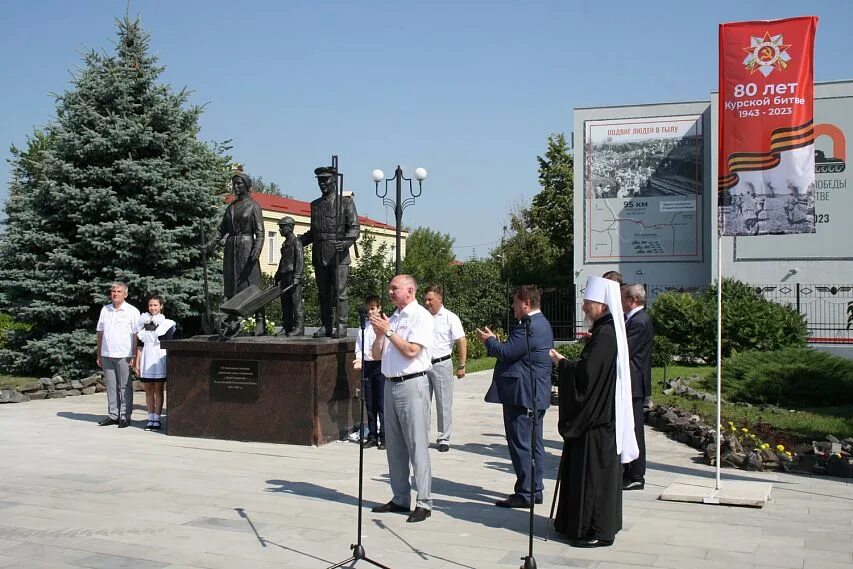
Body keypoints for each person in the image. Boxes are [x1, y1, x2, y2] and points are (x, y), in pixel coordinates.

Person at [549, 276, 638, 548]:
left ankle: (597, 529)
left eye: (588, 303)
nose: (585, 308)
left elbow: (586, 377)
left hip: (597, 422)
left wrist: (562, 363)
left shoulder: (607, 334)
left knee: (594, 477)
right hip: (598, 417)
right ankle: (575, 523)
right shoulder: (605, 331)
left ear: (602, 304)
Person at [477, 285, 553, 508]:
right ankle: (534, 488)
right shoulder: (540, 324)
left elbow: (507, 352)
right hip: (532, 394)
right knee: (533, 444)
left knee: (522, 444)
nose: (513, 307)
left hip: (523, 395)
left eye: (515, 302)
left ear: (526, 303)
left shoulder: (529, 326)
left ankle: (526, 492)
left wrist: (489, 341)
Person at [369, 274, 434, 523]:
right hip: (390, 383)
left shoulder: (421, 317)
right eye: (389, 288)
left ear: (410, 291)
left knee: (416, 444)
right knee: (394, 446)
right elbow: (376, 355)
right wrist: (379, 334)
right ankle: (400, 497)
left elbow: (411, 351)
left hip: (412, 384)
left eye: (395, 288)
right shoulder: (393, 317)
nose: (390, 292)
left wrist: (389, 332)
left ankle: (424, 502)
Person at [300, 166, 360, 338]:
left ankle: (341, 326)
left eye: (325, 180)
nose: (322, 184)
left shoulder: (346, 202)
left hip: (338, 254)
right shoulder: (315, 205)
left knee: (340, 293)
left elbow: (354, 228)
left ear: (334, 181)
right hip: (320, 254)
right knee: (323, 293)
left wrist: (346, 242)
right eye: (320, 181)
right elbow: (314, 232)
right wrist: (298, 242)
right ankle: (326, 325)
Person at [212, 171, 266, 334]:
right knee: (231, 283)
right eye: (234, 184)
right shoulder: (231, 207)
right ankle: (232, 319)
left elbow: (260, 232)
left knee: (252, 283)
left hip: (247, 247)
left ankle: (260, 320)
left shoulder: (254, 206)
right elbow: (221, 230)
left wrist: (257, 249)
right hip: (231, 248)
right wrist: (210, 244)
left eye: (238, 184)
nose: (235, 187)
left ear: (247, 186)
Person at [423, 284, 467, 453]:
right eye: (425, 299)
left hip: (442, 364)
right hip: (424, 364)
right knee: (422, 403)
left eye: (430, 299)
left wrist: (461, 365)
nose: (427, 303)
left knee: (444, 403)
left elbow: (461, 341)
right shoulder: (422, 317)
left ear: (439, 299)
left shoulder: (450, 317)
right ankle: (422, 437)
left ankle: (444, 438)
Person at [621, 283, 654, 490]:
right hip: (630, 382)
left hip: (634, 384)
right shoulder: (634, 319)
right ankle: (628, 469)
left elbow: (626, 349)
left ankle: (636, 474)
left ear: (632, 300)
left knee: (634, 430)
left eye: (624, 298)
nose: (621, 302)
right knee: (628, 428)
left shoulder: (639, 321)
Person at [96, 282, 141, 428]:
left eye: (119, 291)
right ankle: (113, 415)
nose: (115, 294)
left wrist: (134, 355)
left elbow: (136, 334)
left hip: (124, 354)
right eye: (113, 291)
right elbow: (100, 332)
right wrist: (99, 353)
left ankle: (124, 416)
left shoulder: (132, 311)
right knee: (111, 386)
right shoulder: (105, 310)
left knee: (124, 386)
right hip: (107, 353)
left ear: (125, 294)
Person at [134, 295, 176, 432]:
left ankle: (157, 419)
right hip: (147, 358)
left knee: (158, 389)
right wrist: (137, 362)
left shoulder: (167, 323)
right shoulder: (143, 323)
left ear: (161, 306)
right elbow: (140, 346)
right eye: (151, 305)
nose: (153, 308)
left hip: (159, 358)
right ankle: (150, 417)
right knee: (148, 389)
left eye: (156, 305)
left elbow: (169, 344)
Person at [353, 295, 385, 450]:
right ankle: (372, 435)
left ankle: (384, 436)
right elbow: (359, 347)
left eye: (373, 308)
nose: (370, 312)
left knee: (382, 403)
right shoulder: (363, 327)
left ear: (379, 309)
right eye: (368, 309)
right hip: (367, 366)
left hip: (380, 366)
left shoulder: (384, 325)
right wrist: (358, 359)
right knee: (370, 403)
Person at [274, 216, 304, 336]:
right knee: (285, 303)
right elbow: (283, 261)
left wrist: (297, 276)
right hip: (285, 276)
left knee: (296, 303)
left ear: (290, 228)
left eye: (282, 227)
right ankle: (287, 327)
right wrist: (278, 275)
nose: (280, 230)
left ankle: (299, 328)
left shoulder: (296, 242)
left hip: (293, 276)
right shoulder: (285, 243)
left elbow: (300, 260)